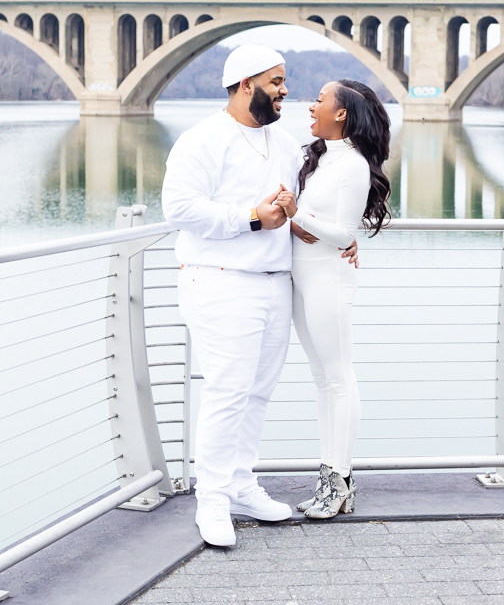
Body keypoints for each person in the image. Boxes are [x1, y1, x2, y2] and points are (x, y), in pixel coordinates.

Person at [161, 46, 357, 546]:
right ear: (246, 84)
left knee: (258, 392)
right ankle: (212, 500)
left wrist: (342, 236)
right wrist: (250, 217)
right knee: (227, 391)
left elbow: (305, 205)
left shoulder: (285, 143)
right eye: (276, 82)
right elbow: (179, 209)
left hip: (275, 283)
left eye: (285, 81)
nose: (285, 91)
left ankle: (241, 484)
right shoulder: (201, 141)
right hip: (221, 279)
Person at [274, 79, 391, 519]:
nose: (311, 106)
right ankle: (328, 481)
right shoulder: (320, 158)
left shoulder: (354, 165)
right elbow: (313, 224)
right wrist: (297, 220)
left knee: (339, 378)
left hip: (329, 280)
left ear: (341, 113)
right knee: (323, 380)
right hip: (303, 278)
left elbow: (344, 233)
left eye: (320, 101)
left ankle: (340, 482)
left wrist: (295, 214)